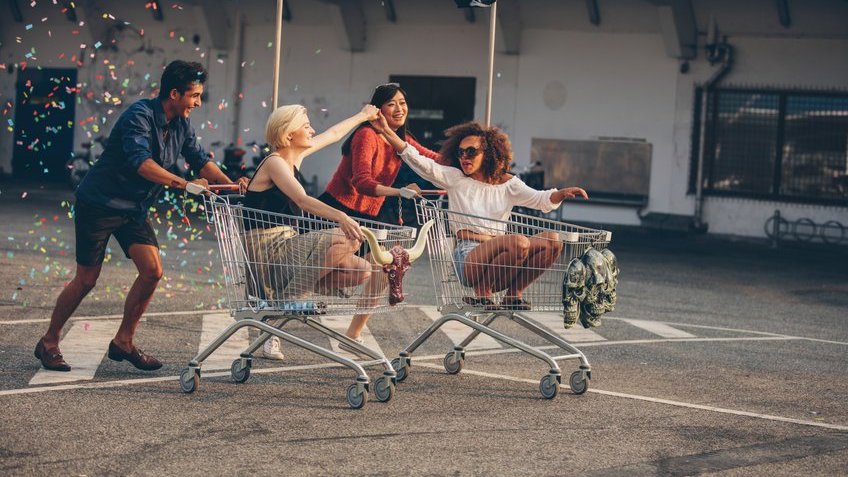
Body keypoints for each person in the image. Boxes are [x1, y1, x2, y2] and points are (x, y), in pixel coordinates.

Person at [34, 60, 247, 372]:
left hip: (133, 208)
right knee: (87, 279)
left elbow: (201, 162)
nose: (199, 103)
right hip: (99, 203)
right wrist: (185, 185)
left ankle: (123, 341)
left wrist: (233, 187)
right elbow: (142, 164)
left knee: (152, 271)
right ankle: (49, 341)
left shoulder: (181, 125)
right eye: (195, 96)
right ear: (174, 93)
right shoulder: (139, 116)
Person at [371, 115, 589, 309]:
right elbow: (420, 162)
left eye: (472, 151)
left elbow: (541, 199)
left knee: (553, 240)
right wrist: (386, 131)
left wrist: (561, 193)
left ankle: (514, 293)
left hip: (505, 259)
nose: (465, 156)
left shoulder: (509, 184)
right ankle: (482, 292)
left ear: (489, 153)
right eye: (461, 152)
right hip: (470, 258)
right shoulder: (456, 179)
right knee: (519, 242)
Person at [247, 104, 380, 360]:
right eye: (306, 126)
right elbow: (303, 200)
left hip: (287, 244)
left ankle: (284, 303)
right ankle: (287, 301)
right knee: (347, 237)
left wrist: (363, 115)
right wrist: (341, 216)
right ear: (288, 136)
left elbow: (332, 135)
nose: (312, 130)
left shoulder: (293, 158)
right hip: (267, 251)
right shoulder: (275, 163)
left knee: (361, 270)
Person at [318, 83, 442, 348]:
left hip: (368, 217)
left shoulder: (400, 139)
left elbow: (432, 159)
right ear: (378, 109)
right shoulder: (366, 134)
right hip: (339, 211)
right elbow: (362, 181)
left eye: (403, 103)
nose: (399, 109)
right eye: (391, 104)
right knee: (306, 276)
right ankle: (270, 331)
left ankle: (352, 335)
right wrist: (400, 191)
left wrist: (469, 160)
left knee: (384, 270)